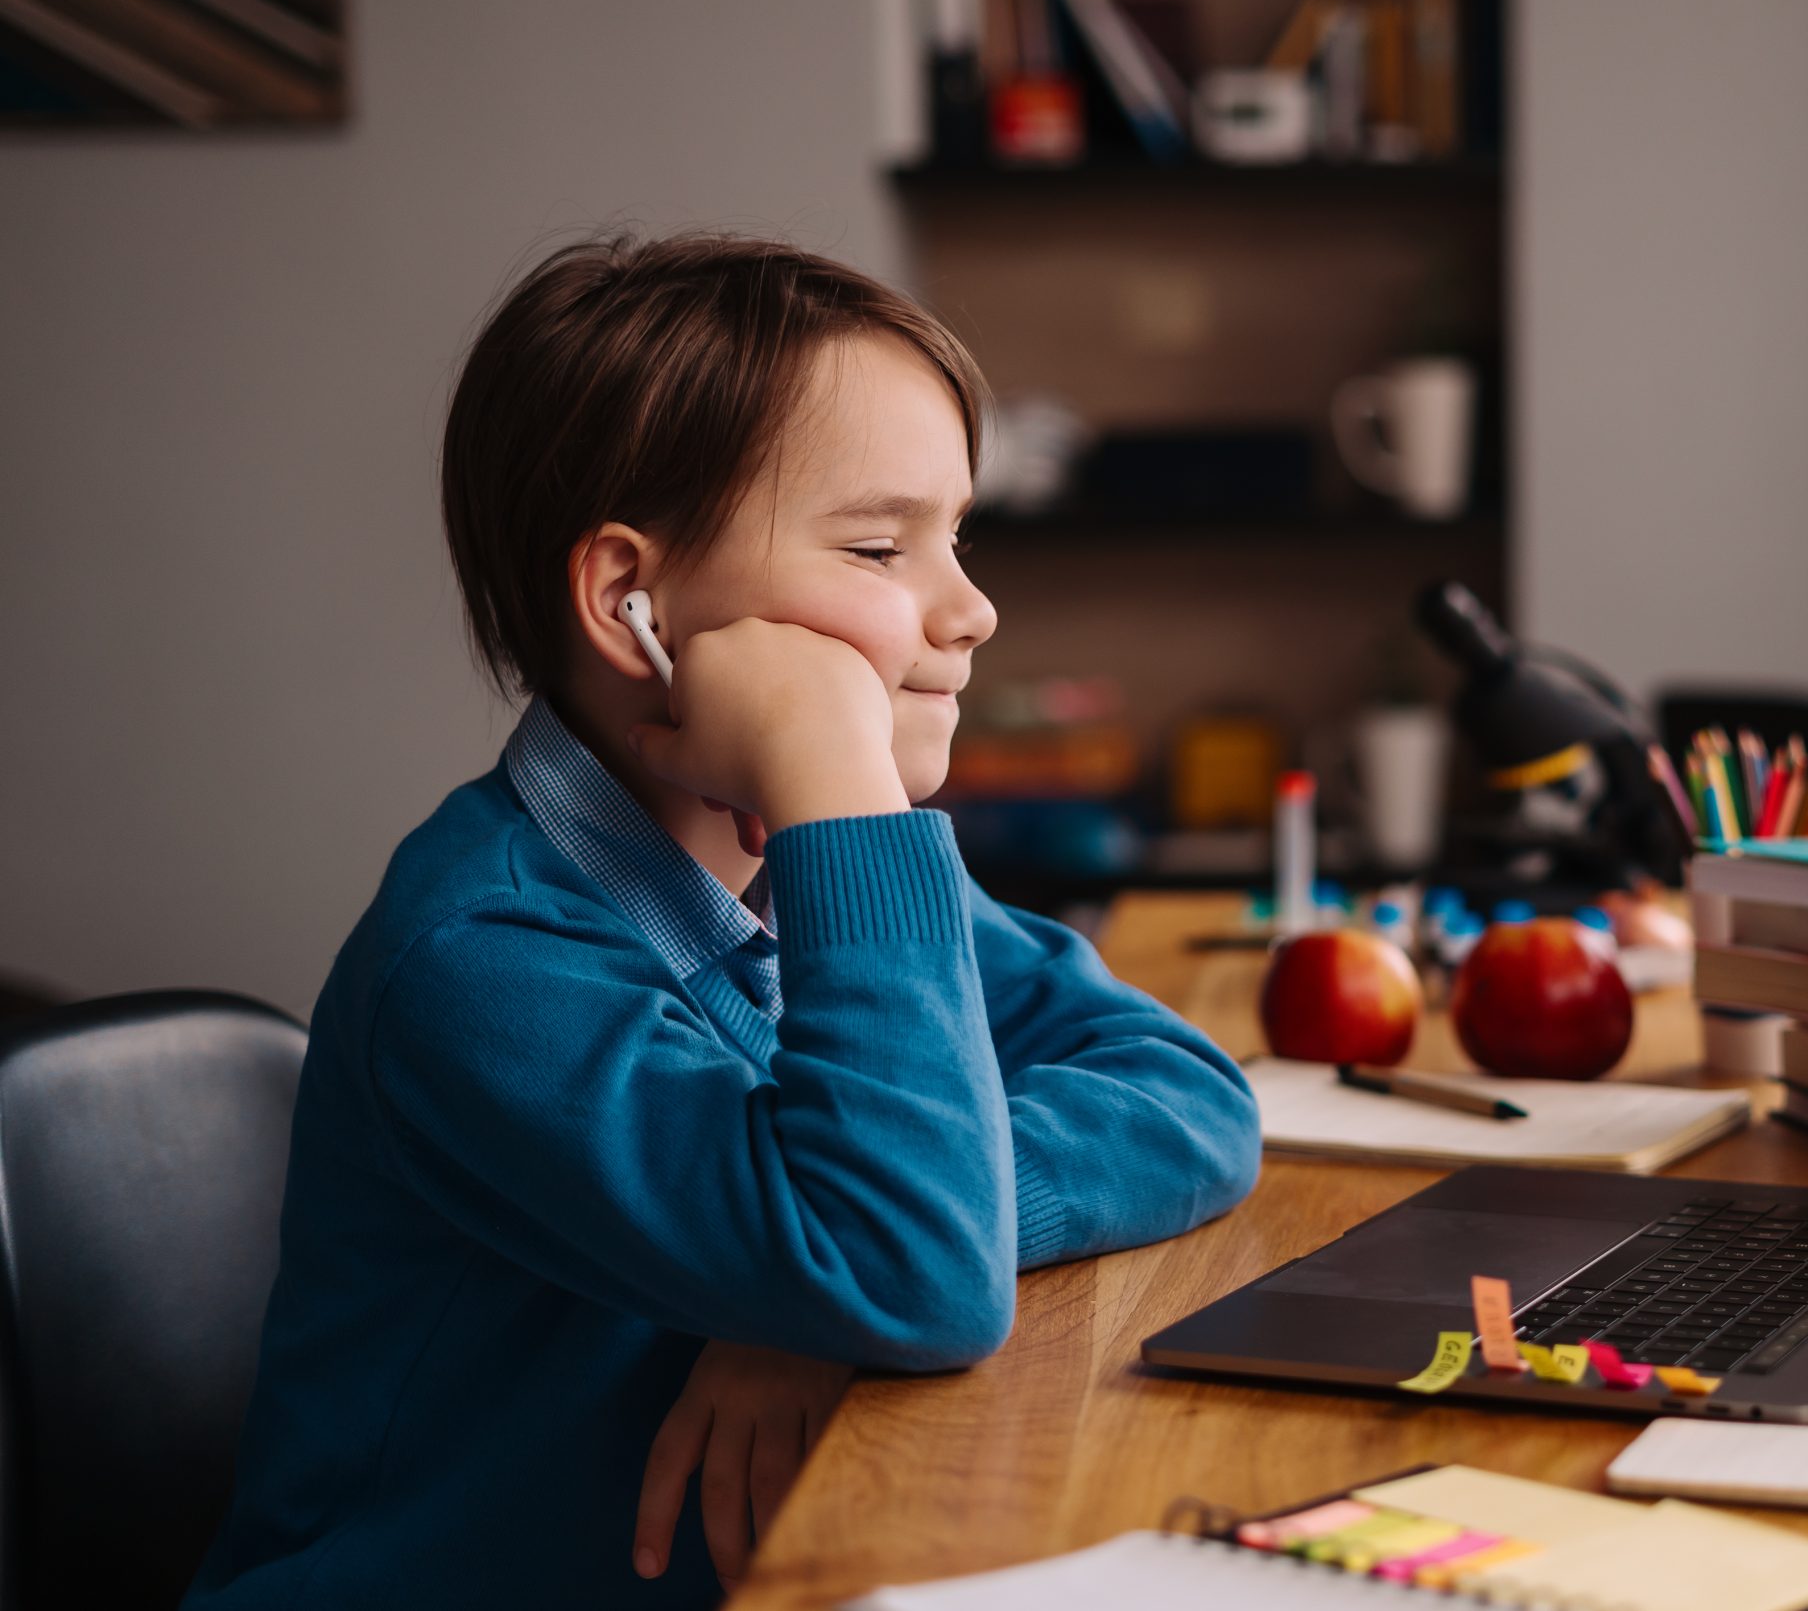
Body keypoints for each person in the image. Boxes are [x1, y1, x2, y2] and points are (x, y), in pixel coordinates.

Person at [184, 233, 1263, 1608]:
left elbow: (1189, 1095)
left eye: (958, 540)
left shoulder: (797, 883)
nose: (974, 610)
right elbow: (906, 1270)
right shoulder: (483, 964)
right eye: (881, 546)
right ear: (631, 607)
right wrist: (835, 791)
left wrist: (813, 1290)